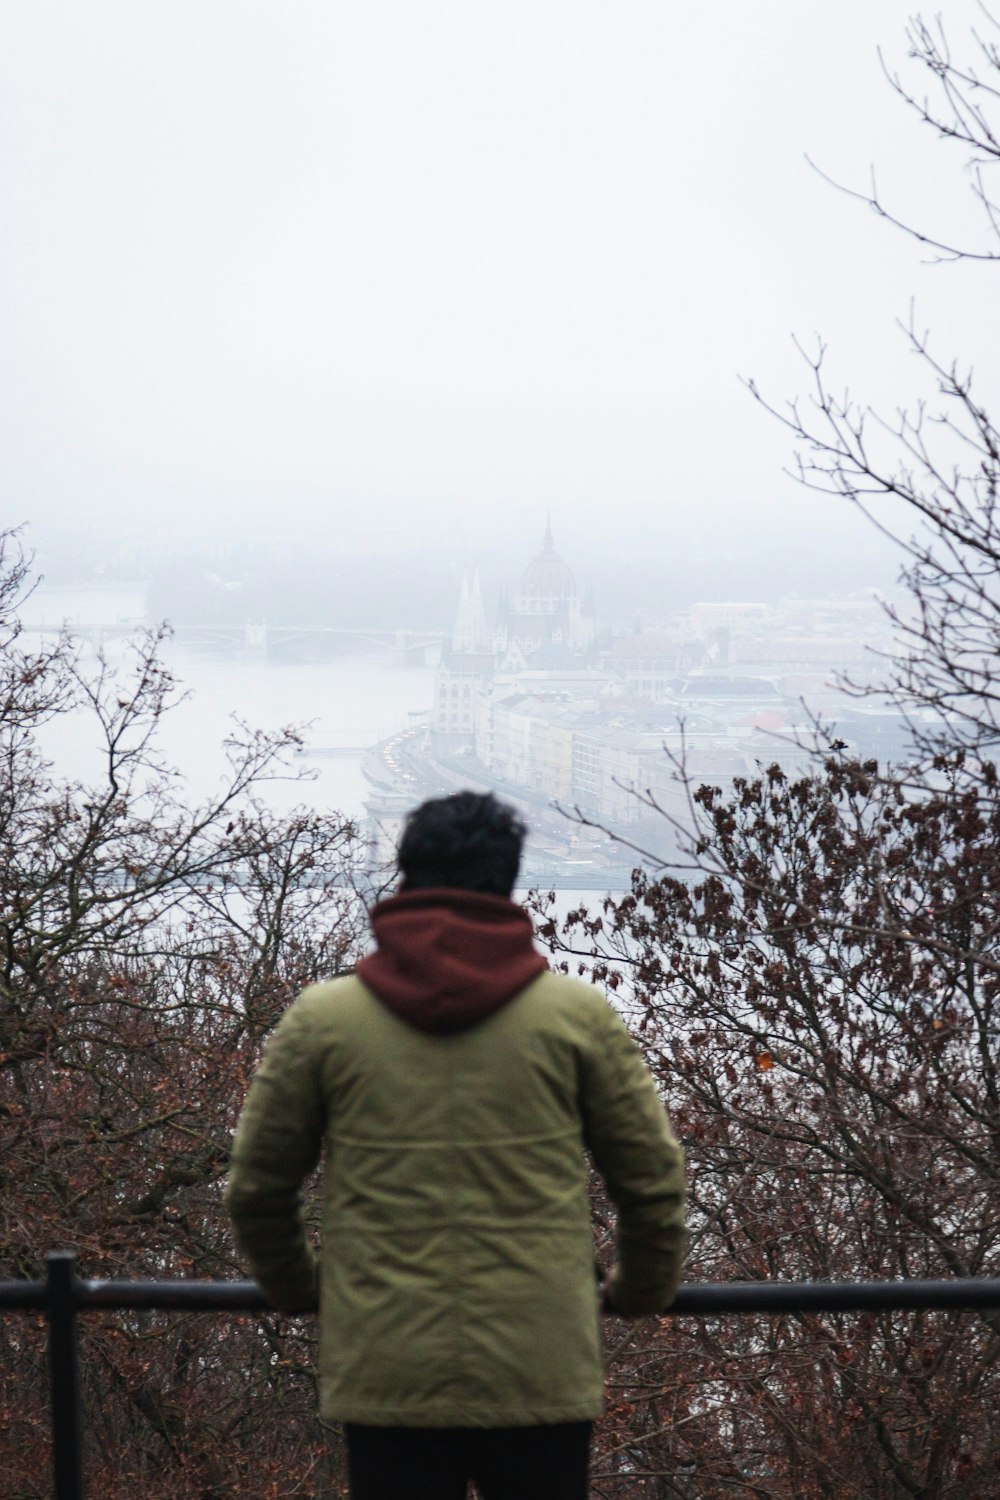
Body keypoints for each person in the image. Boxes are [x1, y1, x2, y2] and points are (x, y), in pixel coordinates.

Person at [226, 790, 686, 1500]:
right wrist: (639, 1291)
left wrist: (304, 1291)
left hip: (387, 1365)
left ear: (405, 875)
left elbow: (258, 1189)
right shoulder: (575, 1016)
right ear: (508, 881)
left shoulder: (325, 1021)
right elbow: (652, 1184)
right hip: (540, 1364)